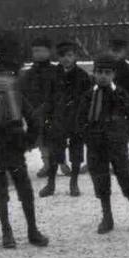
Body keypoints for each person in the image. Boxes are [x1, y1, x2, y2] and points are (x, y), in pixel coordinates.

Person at [0, 34, 49, 250]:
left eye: (8, 76)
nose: (3, 80)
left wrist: (27, 142)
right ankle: (6, 231)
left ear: (14, 79)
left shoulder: (19, 100)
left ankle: (32, 229)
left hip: (16, 150)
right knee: (0, 193)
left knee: (25, 190)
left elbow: (33, 122)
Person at [77, 52, 129, 234]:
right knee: (101, 180)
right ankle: (107, 217)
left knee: (126, 178)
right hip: (96, 147)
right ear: (94, 74)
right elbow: (80, 121)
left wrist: (124, 138)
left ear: (113, 75)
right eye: (99, 72)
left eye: (107, 72)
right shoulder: (89, 96)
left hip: (117, 146)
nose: (103, 76)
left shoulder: (121, 95)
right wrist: (89, 138)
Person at [40, 39, 92, 198]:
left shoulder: (82, 76)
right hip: (58, 119)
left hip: (76, 119)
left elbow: (87, 99)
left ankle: (73, 183)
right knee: (56, 152)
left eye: (69, 55)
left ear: (75, 56)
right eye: (62, 56)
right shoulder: (52, 75)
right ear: (58, 57)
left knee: (76, 151)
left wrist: (84, 119)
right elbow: (48, 98)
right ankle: (51, 184)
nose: (66, 59)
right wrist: (47, 119)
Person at [19, 36, 58, 178]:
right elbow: (23, 92)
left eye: (41, 51)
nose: (38, 54)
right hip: (34, 111)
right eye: (35, 51)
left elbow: (58, 92)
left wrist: (47, 106)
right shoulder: (28, 74)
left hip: (53, 111)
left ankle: (59, 161)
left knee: (53, 137)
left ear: (49, 52)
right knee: (40, 137)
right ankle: (47, 163)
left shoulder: (56, 71)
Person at [108, 34, 129, 104]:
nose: (116, 54)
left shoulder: (128, 72)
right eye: (113, 51)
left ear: (124, 52)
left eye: (118, 51)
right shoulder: (103, 67)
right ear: (109, 51)